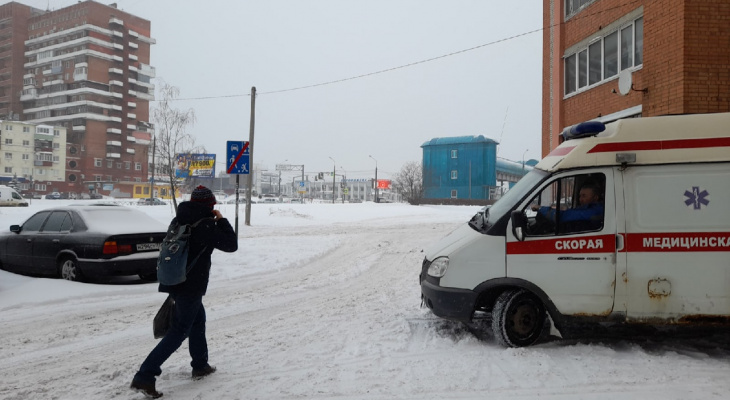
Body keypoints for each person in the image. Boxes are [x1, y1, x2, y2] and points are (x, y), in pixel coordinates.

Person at [131, 185, 238, 398]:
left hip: (174, 280)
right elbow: (231, 244)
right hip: (191, 284)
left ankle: (200, 365)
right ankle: (145, 375)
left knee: (198, 320)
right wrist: (221, 220)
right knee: (178, 331)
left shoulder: (179, 219)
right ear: (210, 205)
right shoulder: (206, 225)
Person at [533, 184, 604, 231]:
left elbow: (565, 216)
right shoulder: (588, 207)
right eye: (580, 196)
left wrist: (541, 209)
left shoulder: (596, 211)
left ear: (595, 198)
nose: (580, 199)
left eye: (584, 196)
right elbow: (573, 211)